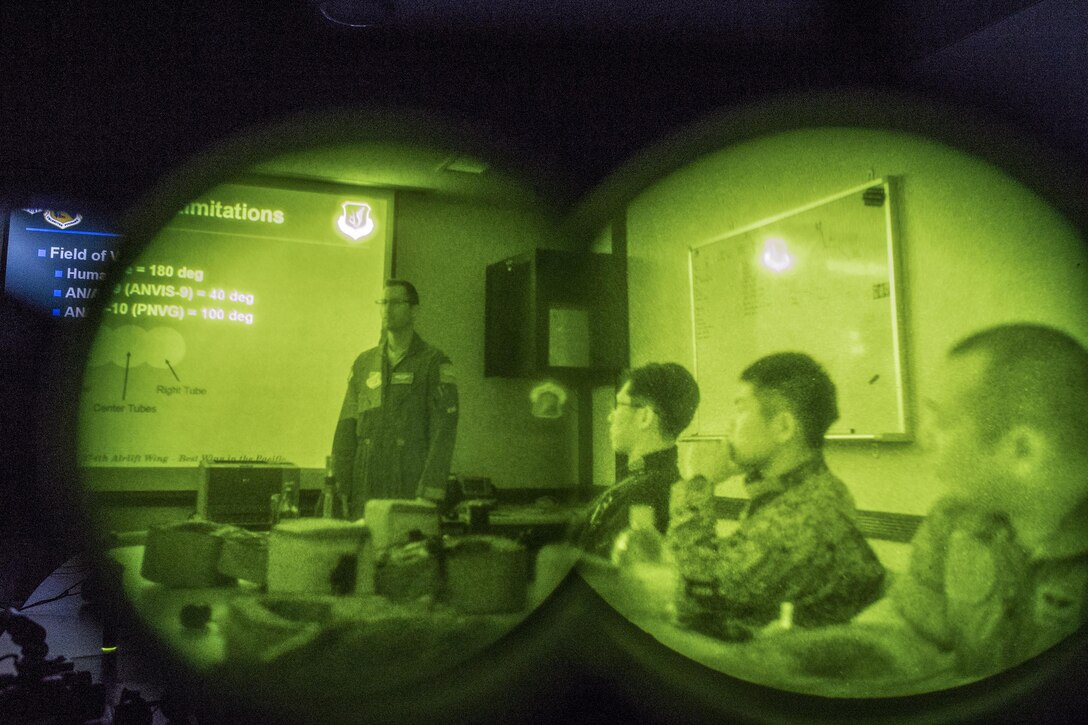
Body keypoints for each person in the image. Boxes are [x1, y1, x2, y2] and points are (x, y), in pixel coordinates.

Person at [874, 323, 1088, 677]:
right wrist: (821, 654)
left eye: (941, 421)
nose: (926, 437)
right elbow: (907, 627)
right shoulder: (953, 518)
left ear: (1022, 450)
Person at [667, 352, 885, 640]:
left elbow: (700, 589)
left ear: (783, 427)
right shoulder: (792, 491)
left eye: (741, 409)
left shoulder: (808, 509)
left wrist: (699, 481)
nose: (730, 425)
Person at [331, 279, 458, 519]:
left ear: (414, 310)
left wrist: (429, 492)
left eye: (396, 303)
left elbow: (444, 431)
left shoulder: (433, 362)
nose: (387, 310)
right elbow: (346, 427)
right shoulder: (364, 363)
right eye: (383, 302)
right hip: (365, 482)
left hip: (409, 481)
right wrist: (339, 485)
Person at [571, 362, 700, 560]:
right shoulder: (648, 481)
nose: (610, 416)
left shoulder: (645, 493)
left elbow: (605, 574)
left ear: (645, 417)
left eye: (619, 405)